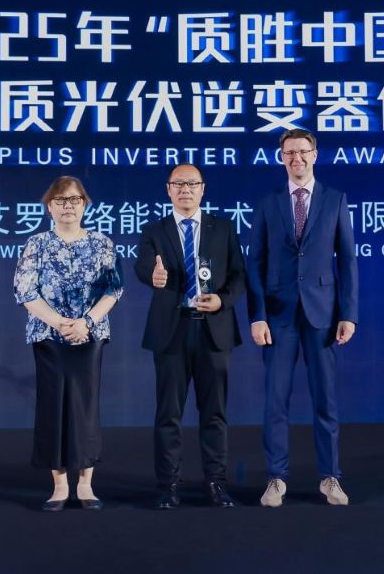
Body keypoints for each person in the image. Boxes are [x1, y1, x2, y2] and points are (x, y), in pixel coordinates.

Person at [246, 129, 358, 507]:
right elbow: (255, 262)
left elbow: (347, 260)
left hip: (322, 315)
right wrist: (257, 315)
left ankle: (330, 477)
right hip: (278, 316)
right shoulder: (268, 202)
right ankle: (276, 479)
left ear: (315, 154)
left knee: (325, 401)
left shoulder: (335, 199)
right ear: (281, 158)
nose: (297, 158)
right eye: (289, 153)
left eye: (303, 151)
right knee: (275, 402)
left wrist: (349, 314)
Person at [134, 164, 247, 509]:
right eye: (178, 184)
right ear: (168, 190)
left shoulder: (222, 228)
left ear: (203, 189)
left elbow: (239, 276)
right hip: (172, 330)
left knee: (214, 413)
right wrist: (152, 276)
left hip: (213, 330)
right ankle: (168, 486)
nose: (185, 189)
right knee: (168, 414)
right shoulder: (154, 230)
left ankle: (216, 483)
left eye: (192, 184)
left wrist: (222, 300)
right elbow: (142, 266)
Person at [13, 175, 124, 511]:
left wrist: (85, 323)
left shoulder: (102, 243)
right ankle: (60, 485)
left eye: (74, 200)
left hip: (89, 335)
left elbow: (114, 289)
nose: (68, 206)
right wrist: (60, 323)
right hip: (49, 336)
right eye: (60, 200)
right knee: (53, 408)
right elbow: (25, 291)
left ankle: (86, 484)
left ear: (84, 205)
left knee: (84, 407)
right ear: (50, 206)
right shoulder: (36, 244)